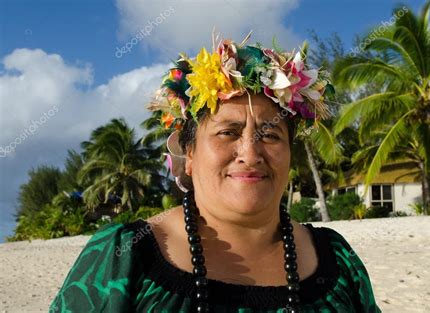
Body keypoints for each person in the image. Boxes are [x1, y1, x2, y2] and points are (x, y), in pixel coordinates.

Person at [50, 32, 381, 312]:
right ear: (189, 154)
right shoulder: (125, 257)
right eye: (228, 132)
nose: (250, 154)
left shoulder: (338, 262)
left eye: (270, 135)